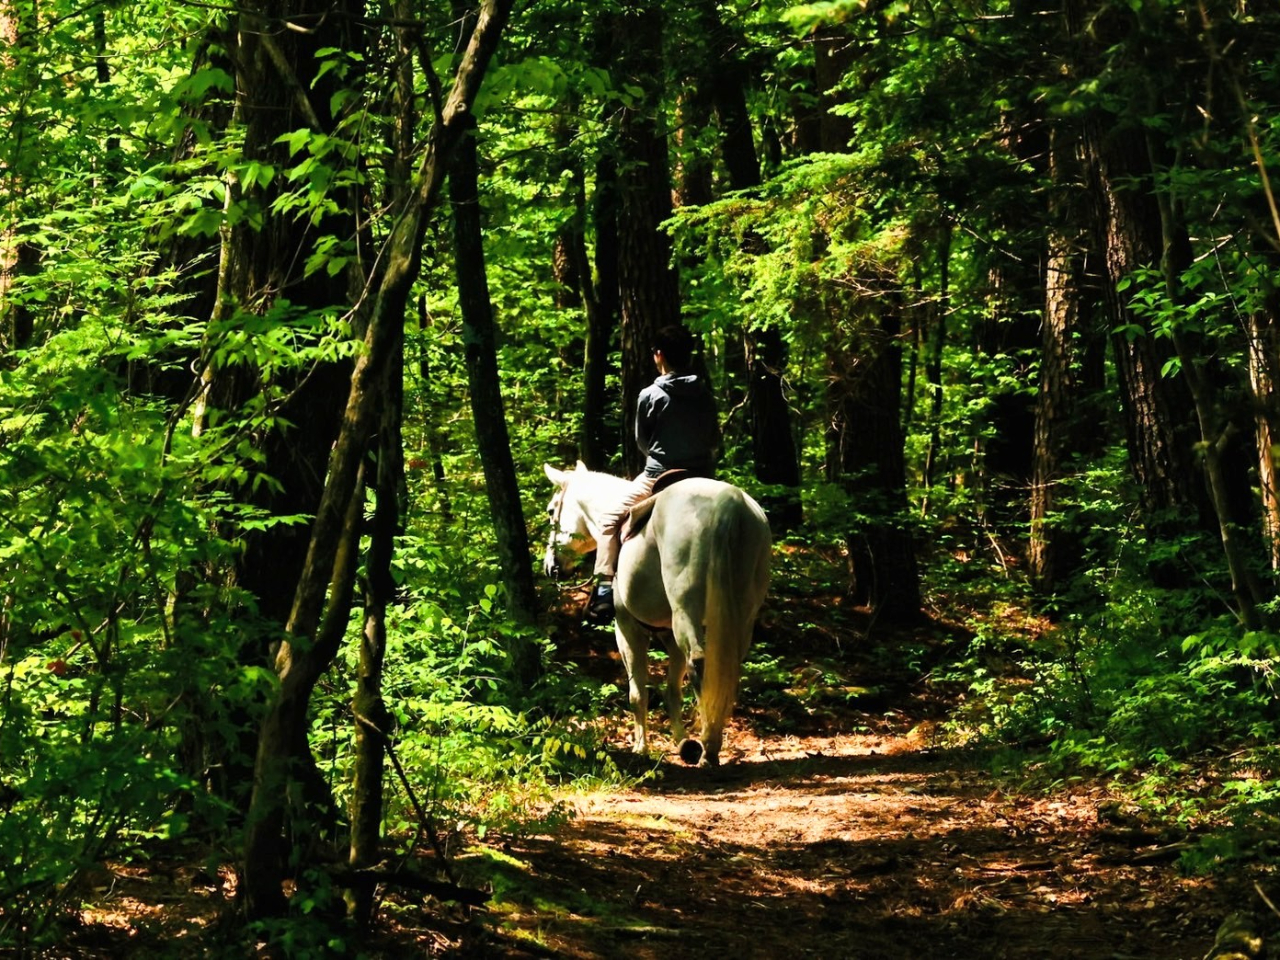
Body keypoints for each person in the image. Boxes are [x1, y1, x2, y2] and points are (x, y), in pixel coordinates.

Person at [588, 324, 720, 623]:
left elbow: (641, 441)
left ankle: (605, 588)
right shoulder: (704, 392)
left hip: (660, 476)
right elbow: (713, 438)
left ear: (659, 355)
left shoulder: (651, 394)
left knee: (609, 520)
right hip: (704, 476)